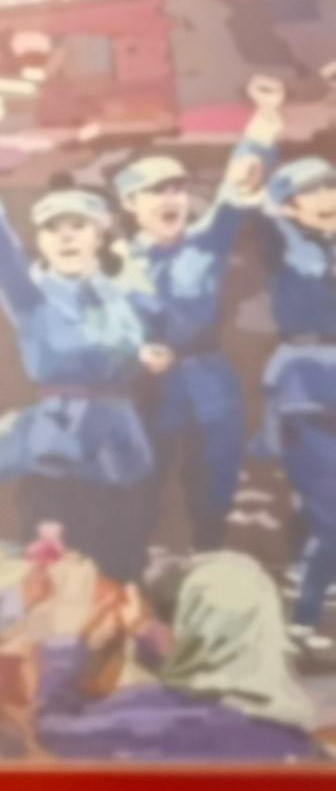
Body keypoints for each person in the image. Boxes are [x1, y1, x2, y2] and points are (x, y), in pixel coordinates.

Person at [0, 137, 165, 587]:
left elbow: (134, 339)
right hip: (58, 447)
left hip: (120, 444)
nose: (66, 237)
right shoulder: (31, 295)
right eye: (54, 229)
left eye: (78, 226)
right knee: (53, 562)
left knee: (121, 558)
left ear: (99, 235)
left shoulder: (123, 292)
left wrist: (145, 355)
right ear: (40, 240)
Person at [112, 73, 291, 550]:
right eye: (156, 191)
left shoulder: (206, 241)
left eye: (177, 188)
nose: (170, 199)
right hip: (146, 392)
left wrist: (265, 117)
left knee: (215, 485)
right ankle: (137, 571)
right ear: (129, 203)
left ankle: (208, 557)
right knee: (143, 488)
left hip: (211, 386)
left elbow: (238, 181)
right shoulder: (112, 262)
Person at [14, 545, 325, 762]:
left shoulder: (144, 717)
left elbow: (51, 730)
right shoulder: (293, 732)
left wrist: (66, 643)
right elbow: (200, 659)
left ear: (184, 632)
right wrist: (144, 631)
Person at [226, 150, 336, 636]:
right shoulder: (285, 242)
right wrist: (254, 187)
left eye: (330, 184)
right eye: (311, 191)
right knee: (327, 507)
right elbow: (260, 215)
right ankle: (305, 618)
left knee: (318, 509)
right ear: (290, 206)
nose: (328, 195)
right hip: (305, 388)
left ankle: (310, 595)